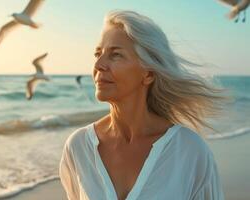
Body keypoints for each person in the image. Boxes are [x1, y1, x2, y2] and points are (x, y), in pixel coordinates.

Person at [59, 10, 227, 200]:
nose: (98, 64)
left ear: (148, 74)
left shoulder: (189, 151)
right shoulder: (79, 147)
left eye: (115, 55)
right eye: (98, 53)